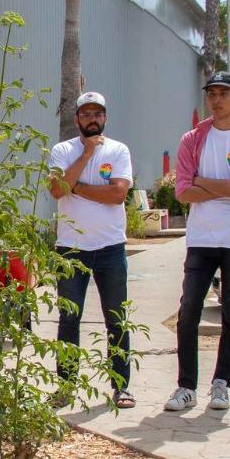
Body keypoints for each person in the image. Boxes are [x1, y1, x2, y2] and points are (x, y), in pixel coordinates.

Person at [166, 72, 230, 413]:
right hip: (201, 236)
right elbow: (182, 190)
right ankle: (185, 386)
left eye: (224, 93)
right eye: (212, 93)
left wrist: (201, 182)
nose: (217, 99)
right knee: (188, 312)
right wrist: (221, 186)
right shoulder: (193, 139)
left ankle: (221, 384)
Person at [47, 91, 135, 407]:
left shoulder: (119, 150)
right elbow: (57, 190)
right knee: (69, 318)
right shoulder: (62, 150)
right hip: (71, 249)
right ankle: (66, 386)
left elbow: (117, 195)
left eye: (98, 113)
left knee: (117, 319)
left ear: (106, 118)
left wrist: (77, 187)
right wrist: (84, 156)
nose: (92, 119)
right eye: (86, 114)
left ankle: (121, 386)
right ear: (77, 120)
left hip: (110, 247)